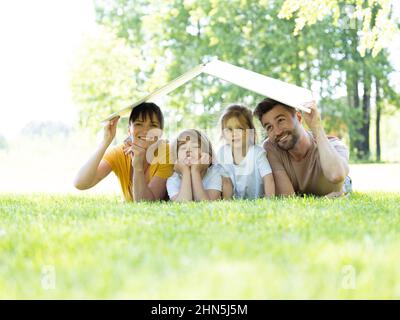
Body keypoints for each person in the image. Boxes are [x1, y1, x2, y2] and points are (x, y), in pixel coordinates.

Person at [74, 102, 174, 201]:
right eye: (139, 124)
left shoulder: (166, 153)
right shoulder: (120, 153)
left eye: (153, 125)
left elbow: (146, 202)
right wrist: (105, 141)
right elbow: (80, 183)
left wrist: (137, 166)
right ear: (129, 130)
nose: (146, 130)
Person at [253, 98, 351, 197]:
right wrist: (327, 199)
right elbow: (287, 198)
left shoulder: (334, 145)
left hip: (343, 180)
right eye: (269, 127)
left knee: (343, 181)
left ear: (299, 118)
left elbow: (336, 175)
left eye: (281, 120)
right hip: (323, 197)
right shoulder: (271, 148)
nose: (277, 132)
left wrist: (317, 128)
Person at [217, 105, 275, 199]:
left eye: (239, 129)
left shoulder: (257, 153)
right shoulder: (222, 153)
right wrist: (228, 203)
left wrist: (270, 201)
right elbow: (226, 182)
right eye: (229, 129)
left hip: (258, 199)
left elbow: (268, 179)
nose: (234, 134)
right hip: (236, 201)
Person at [167, 129, 223, 202]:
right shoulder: (173, 179)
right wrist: (185, 172)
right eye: (183, 148)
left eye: (195, 147)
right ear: (176, 156)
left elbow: (205, 203)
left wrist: (195, 171)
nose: (188, 150)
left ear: (206, 153)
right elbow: (183, 203)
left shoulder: (213, 173)